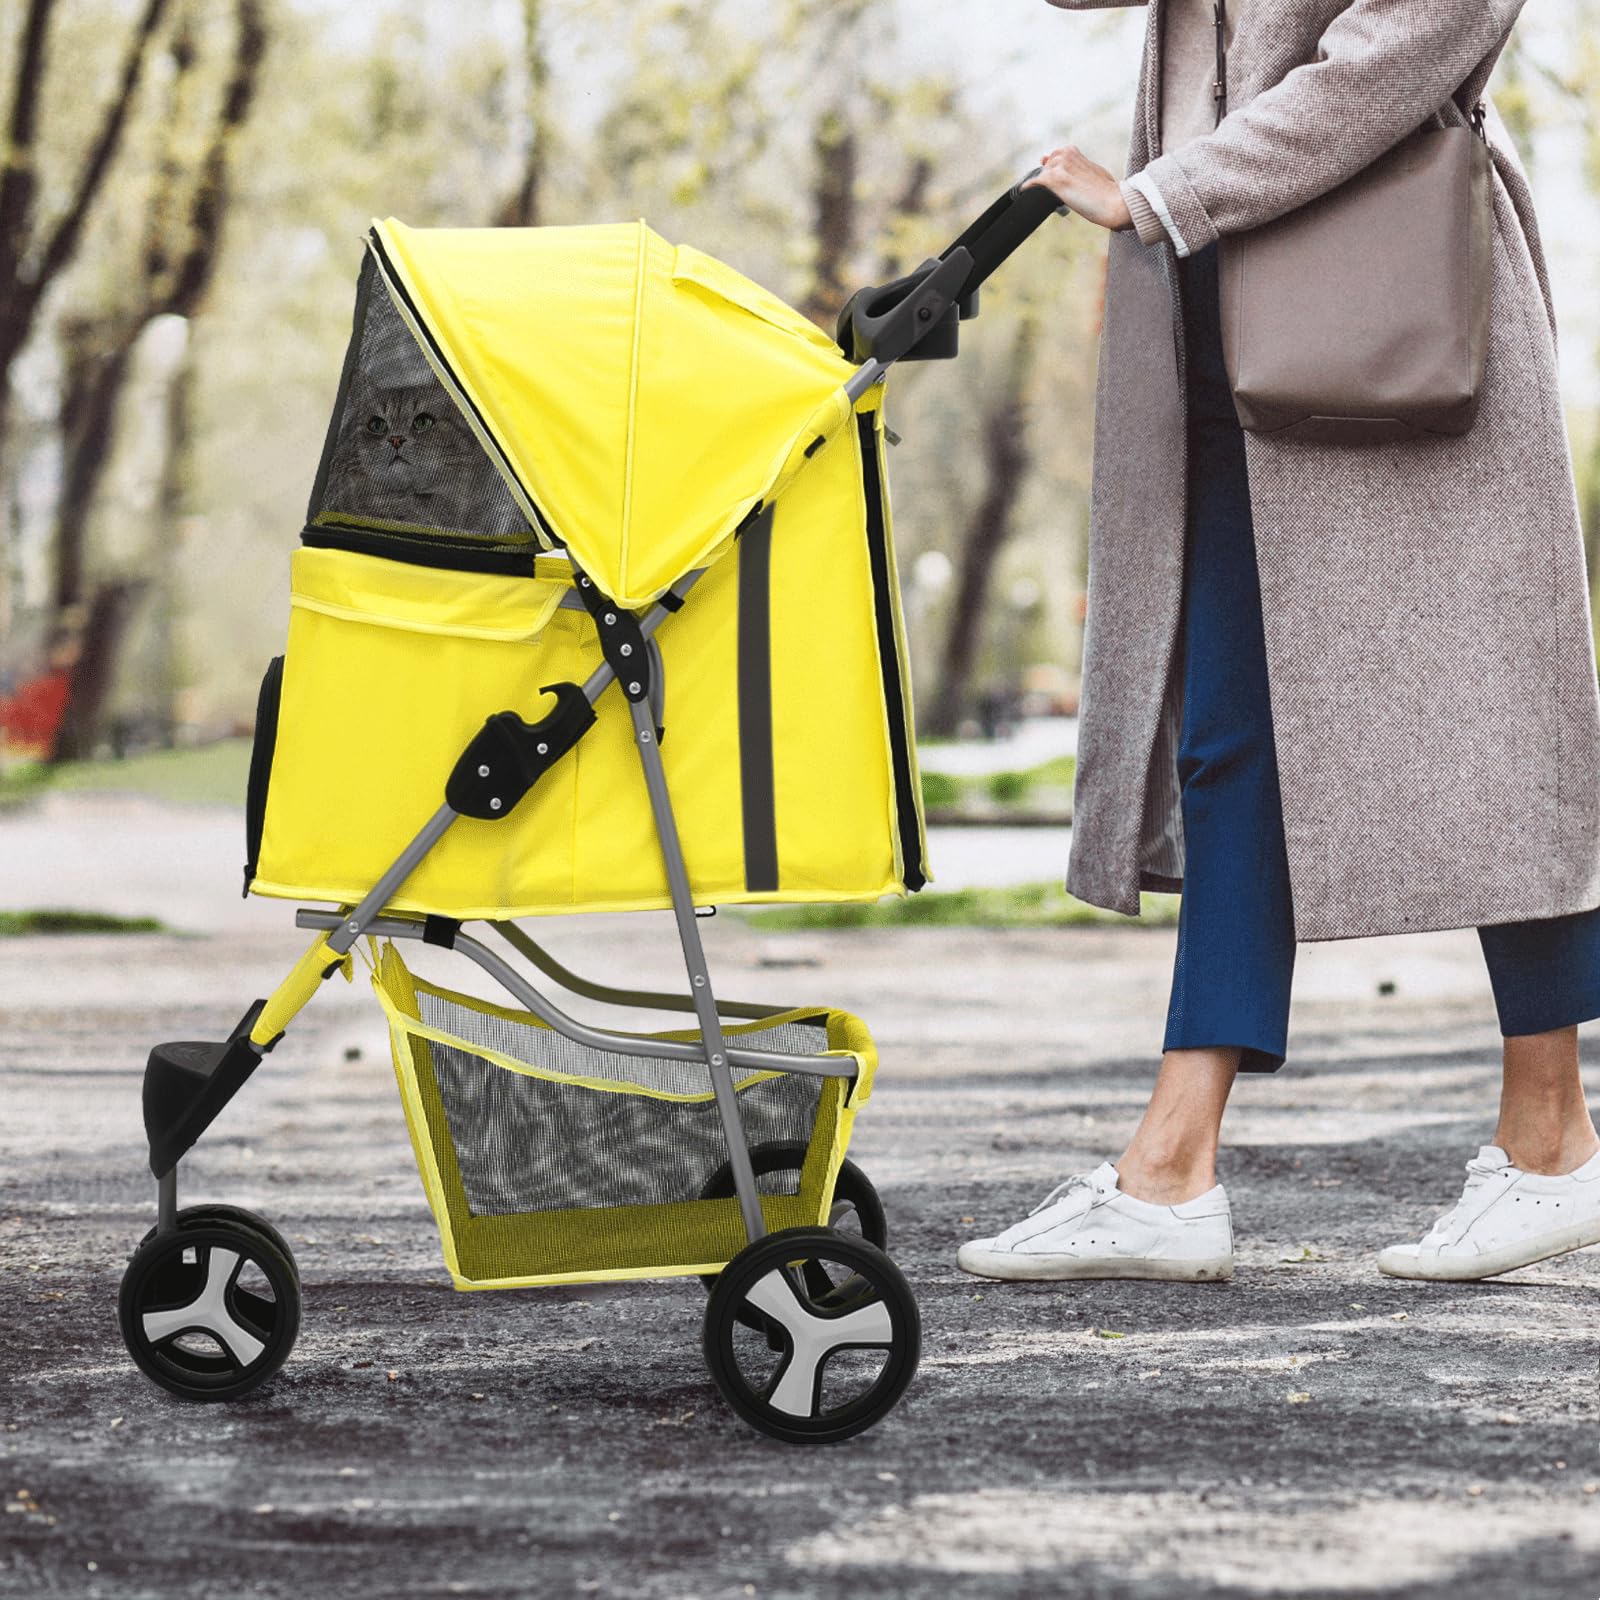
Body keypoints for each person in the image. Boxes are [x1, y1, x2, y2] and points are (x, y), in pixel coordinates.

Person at [959, 0, 1600, 1285]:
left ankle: (1550, 1137)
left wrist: (1163, 194)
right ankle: (1169, 1170)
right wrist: (1173, 208)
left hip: (1389, 300)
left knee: (1491, 718)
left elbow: (1408, 41)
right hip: (1211, 301)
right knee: (1228, 736)